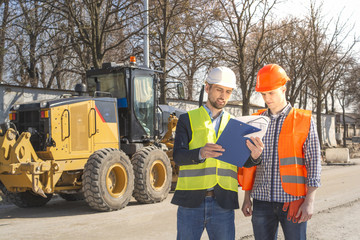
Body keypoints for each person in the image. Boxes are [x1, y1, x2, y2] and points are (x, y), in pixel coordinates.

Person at [172, 66, 264, 240]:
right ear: (207, 88)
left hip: (223, 203)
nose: (223, 96)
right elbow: (178, 156)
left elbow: (243, 161)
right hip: (191, 203)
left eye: (228, 92)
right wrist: (200, 153)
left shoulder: (235, 124)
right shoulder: (187, 119)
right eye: (219, 90)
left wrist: (255, 156)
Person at [238, 64, 322, 240]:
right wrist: (247, 197)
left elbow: (314, 164)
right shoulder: (255, 121)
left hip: (292, 200)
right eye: (263, 94)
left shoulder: (304, 120)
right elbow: (249, 164)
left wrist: (309, 201)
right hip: (261, 202)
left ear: (283, 88)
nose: (267, 98)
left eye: (271, 93)